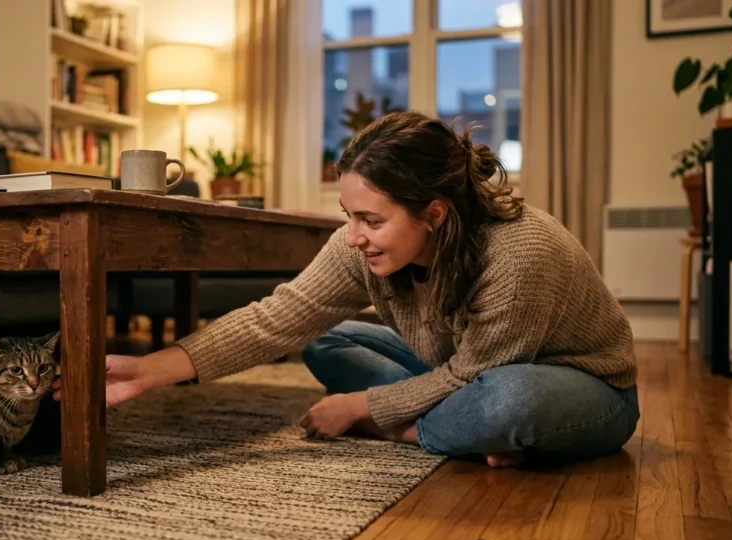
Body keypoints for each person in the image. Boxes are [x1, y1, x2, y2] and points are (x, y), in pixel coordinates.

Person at [52, 110, 640, 468]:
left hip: (579, 385)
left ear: (434, 214)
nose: (353, 236)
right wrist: (149, 369)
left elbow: (476, 375)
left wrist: (363, 409)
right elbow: (278, 319)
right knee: (327, 340)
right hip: (460, 371)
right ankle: (459, 431)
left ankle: (413, 430)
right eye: (348, 214)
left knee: (508, 399)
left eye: (371, 220)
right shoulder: (359, 245)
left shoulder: (518, 252)